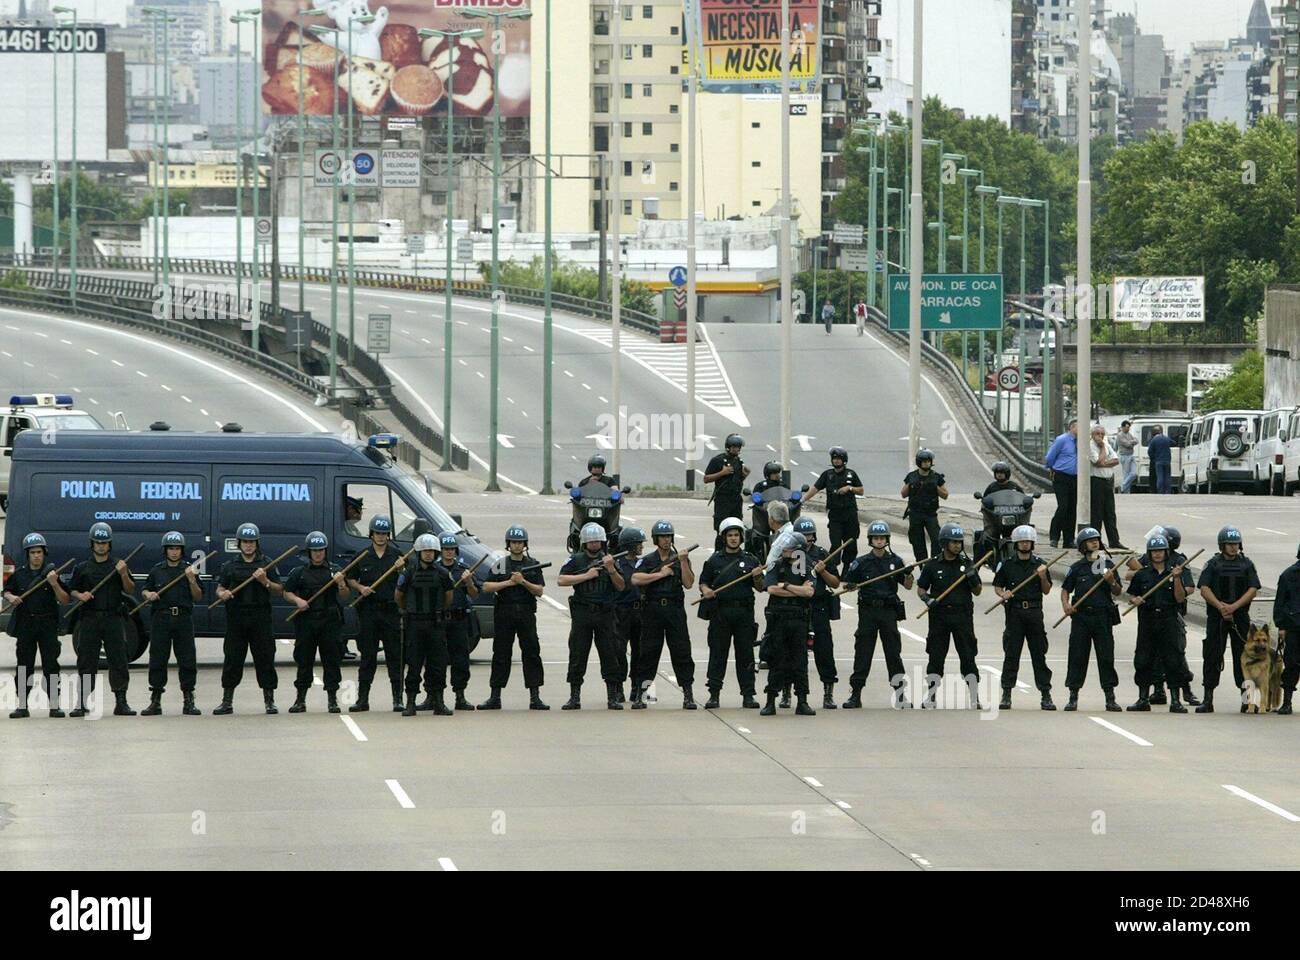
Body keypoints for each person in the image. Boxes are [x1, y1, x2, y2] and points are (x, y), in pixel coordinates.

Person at [840, 520, 913, 709]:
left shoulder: (895, 562)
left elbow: (907, 586)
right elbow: (848, 582)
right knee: (863, 653)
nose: (879, 541)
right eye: (876, 538)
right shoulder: (861, 563)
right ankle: (855, 694)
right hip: (868, 612)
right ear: (871, 540)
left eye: (882, 538)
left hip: (888, 612)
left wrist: (908, 574)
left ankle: (900, 694)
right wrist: (850, 586)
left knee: (893, 654)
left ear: (887, 540)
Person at [213, 523, 284, 716]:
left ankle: (269, 701)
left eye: (252, 542)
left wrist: (265, 582)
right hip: (236, 619)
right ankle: (227, 701)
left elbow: (279, 590)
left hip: (260, 618)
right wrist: (223, 593)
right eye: (245, 542)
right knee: (232, 659)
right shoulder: (230, 566)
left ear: (257, 543)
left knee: (265, 658)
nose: (249, 546)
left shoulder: (267, 563)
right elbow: (219, 587)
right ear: (239, 543)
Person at [69, 522, 137, 718]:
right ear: (92, 544)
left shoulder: (118, 565)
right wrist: (79, 595)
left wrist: (124, 573)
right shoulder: (82, 568)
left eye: (104, 542)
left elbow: (130, 589)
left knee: (119, 659)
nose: (101, 546)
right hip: (90, 619)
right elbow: (71, 589)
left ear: (110, 544)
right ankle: (82, 702)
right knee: (86, 660)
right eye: (98, 542)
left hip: (113, 618)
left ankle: (121, 702)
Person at [479, 526, 548, 711]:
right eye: (513, 542)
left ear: (525, 544)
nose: (516, 545)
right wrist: (509, 582)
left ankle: (535, 697)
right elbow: (486, 586)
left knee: (532, 653)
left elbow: (540, 591)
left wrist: (523, 581)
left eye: (519, 542)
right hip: (504, 613)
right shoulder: (500, 564)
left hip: (525, 613)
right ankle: (495, 696)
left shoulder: (533, 563)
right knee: (501, 654)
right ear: (508, 545)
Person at [559, 522, 626, 711]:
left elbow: (621, 586)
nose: (595, 544)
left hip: (605, 613)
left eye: (598, 541)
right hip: (583, 613)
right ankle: (574, 697)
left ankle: (612, 697)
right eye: (592, 541)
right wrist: (586, 576)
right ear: (585, 543)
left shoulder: (609, 560)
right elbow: (561, 579)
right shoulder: (576, 560)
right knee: (578, 654)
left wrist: (611, 568)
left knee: (610, 654)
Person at [699, 517, 764, 709]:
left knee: (746, 655)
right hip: (720, 613)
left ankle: (748, 694)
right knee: (718, 654)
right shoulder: (714, 560)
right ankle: (714, 694)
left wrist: (758, 576)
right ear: (724, 537)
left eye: (736, 535)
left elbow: (761, 588)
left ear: (741, 537)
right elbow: (703, 582)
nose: (734, 539)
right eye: (730, 535)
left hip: (744, 613)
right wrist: (706, 590)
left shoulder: (751, 560)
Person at [916, 523, 983, 709]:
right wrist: (927, 599)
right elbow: (921, 588)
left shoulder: (967, 564)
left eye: (959, 542)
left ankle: (974, 696)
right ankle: (931, 694)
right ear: (944, 543)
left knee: (968, 657)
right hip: (939, 617)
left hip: (962, 616)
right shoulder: (932, 565)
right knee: (936, 657)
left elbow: (977, 592)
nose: (957, 546)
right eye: (953, 542)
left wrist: (973, 578)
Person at [631, 520, 697, 709]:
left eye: (668, 536)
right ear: (656, 539)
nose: (666, 540)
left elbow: (689, 583)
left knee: (681, 651)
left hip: (674, 610)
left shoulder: (679, 558)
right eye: (662, 537)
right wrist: (660, 574)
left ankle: (688, 694)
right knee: (648, 653)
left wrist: (683, 562)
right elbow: (636, 578)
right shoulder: (649, 560)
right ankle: (644, 695)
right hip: (652, 610)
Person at [283, 531, 350, 714]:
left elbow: (345, 596)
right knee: (304, 660)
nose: (318, 554)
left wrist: (341, 583)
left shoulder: (335, 571)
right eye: (314, 550)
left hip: (329, 622)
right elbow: (286, 592)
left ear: (325, 551)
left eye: (321, 550)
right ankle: (300, 699)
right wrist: (297, 601)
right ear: (309, 552)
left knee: (332, 660)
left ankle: (332, 699)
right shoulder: (299, 572)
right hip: (306, 622)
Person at [1196, 526, 1261, 713]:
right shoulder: (1213, 564)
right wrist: (1220, 606)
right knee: (1212, 655)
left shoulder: (1247, 564)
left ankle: (1248, 699)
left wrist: (1234, 607)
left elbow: (1253, 589)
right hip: (1217, 617)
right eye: (1229, 544)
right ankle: (1208, 699)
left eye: (1235, 544)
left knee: (1246, 658)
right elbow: (1204, 588)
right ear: (1222, 545)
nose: (1233, 547)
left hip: (1239, 616)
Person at [1126, 533, 1193, 713]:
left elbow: (1180, 598)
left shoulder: (1174, 571)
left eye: (1160, 551)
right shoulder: (1142, 574)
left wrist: (1177, 578)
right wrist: (1135, 600)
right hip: (1147, 620)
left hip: (1168, 620)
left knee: (1173, 659)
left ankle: (1175, 700)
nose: (1157, 554)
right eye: (1154, 551)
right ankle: (1142, 698)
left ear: (1166, 552)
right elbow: (1131, 595)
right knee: (1143, 659)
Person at [5, 532, 69, 718]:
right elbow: (6, 592)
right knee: (24, 665)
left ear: (44, 553)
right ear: (27, 554)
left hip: (48, 624)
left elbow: (64, 600)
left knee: (51, 665)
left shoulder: (52, 574)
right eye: (32, 552)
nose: (36, 555)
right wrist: (12, 597)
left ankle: (55, 705)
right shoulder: (19, 575)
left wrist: (54, 584)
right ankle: (22, 705)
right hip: (26, 624)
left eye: (39, 552)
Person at [991, 525, 1055, 710]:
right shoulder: (1007, 564)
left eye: (1028, 542)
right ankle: (1006, 693)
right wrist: (1003, 594)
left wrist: (1043, 577)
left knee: (1039, 655)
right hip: (1015, 613)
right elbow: (997, 586)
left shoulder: (1040, 565)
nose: (1025, 545)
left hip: (1034, 613)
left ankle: (1045, 694)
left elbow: (1047, 590)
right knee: (1012, 654)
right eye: (1022, 542)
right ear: (1016, 544)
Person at [1059, 527, 1123, 713]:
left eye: (1097, 539)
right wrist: (1066, 605)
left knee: (1106, 656)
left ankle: (1110, 697)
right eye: (1090, 540)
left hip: (1102, 616)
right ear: (1082, 546)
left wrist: (1111, 581)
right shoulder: (1077, 568)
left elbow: (1118, 592)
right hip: (1081, 617)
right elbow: (1065, 590)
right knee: (1077, 656)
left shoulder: (1107, 565)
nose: (1095, 542)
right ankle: (1073, 696)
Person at [140, 531, 203, 717]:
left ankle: (189, 699)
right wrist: (148, 595)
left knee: (187, 659)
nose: (174, 552)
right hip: (161, 618)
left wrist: (192, 580)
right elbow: (145, 589)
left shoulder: (189, 569)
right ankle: (155, 700)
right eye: (170, 548)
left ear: (181, 550)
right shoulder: (157, 570)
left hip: (183, 618)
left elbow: (198, 596)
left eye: (177, 548)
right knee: (158, 658)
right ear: (165, 550)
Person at [348, 515, 406, 713]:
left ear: (388, 535)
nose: (381, 537)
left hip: (390, 611)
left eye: (384, 533)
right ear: (371, 534)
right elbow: (350, 578)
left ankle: (398, 698)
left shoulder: (397, 556)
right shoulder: (362, 555)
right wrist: (360, 587)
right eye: (377, 533)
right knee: (367, 657)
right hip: (368, 612)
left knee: (394, 656)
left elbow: (407, 580)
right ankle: (362, 699)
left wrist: (402, 569)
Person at [395, 533, 454, 717]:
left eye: (431, 551)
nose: (428, 554)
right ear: (419, 552)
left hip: (435, 624)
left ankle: (439, 702)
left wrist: (438, 612)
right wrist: (410, 611)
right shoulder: (409, 573)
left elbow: (449, 597)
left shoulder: (443, 574)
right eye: (425, 551)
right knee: (413, 664)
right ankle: (411, 702)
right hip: (415, 624)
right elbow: (399, 596)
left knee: (438, 664)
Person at [760, 532, 816, 716]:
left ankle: (802, 700)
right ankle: (770, 701)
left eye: (789, 548)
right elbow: (771, 588)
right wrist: (796, 590)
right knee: (777, 659)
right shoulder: (776, 565)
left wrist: (786, 586)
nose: (784, 550)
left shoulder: (806, 567)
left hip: (799, 620)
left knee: (800, 660)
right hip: (779, 619)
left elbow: (809, 592)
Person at [794, 517, 841, 708]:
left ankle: (828, 693)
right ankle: (790, 693)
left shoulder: (823, 554)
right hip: (797, 608)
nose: (808, 539)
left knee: (824, 652)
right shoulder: (790, 555)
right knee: (793, 653)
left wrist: (822, 572)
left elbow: (835, 583)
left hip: (819, 608)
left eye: (810, 535)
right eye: (804, 536)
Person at [436, 532, 480, 712]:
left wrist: (469, 582)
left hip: (458, 619)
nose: (449, 552)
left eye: (451, 549)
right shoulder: (435, 569)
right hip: (439, 620)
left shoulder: (463, 570)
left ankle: (460, 696)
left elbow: (474, 593)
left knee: (460, 659)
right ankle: (435, 696)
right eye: (445, 549)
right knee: (436, 660)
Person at [806, 446, 863, 574]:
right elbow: (815, 489)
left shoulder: (851, 474)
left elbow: (861, 489)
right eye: (834, 458)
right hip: (835, 516)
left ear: (844, 460)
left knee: (851, 544)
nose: (836, 461)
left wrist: (849, 488)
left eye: (839, 459)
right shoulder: (827, 475)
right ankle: (833, 569)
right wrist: (802, 500)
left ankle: (847, 569)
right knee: (835, 543)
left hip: (850, 515)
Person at [612, 527, 646, 704]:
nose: (641, 547)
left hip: (640, 610)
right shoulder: (617, 564)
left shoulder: (643, 563)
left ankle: (638, 687)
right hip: (621, 611)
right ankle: (618, 687)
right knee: (619, 651)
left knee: (640, 651)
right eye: (638, 543)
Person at [703, 434, 750, 547]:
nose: (737, 449)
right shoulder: (718, 460)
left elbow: (737, 481)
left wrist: (745, 475)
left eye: (738, 447)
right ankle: (719, 552)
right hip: (723, 499)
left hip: (736, 500)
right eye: (734, 447)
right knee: (721, 529)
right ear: (728, 447)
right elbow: (706, 478)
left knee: (736, 527)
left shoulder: (739, 461)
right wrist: (722, 473)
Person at [901, 448, 947, 561]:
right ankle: (921, 563)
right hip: (915, 514)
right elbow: (903, 494)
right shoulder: (912, 476)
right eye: (924, 461)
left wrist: (934, 486)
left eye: (928, 461)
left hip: (930, 514)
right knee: (917, 541)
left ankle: (935, 561)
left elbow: (945, 495)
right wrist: (911, 484)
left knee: (936, 539)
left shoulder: (936, 477)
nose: (927, 463)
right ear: (919, 462)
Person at [1273, 543, 1300, 715]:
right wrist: (1281, 625)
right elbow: (1280, 602)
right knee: (1291, 664)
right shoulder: (1289, 575)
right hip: (1294, 626)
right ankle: (1287, 701)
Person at [1044, 420, 1079, 548]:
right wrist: (1053, 468)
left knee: (1072, 508)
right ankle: (1054, 536)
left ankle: (1069, 539)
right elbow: (1050, 457)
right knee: (1063, 506)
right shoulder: (1062, 440)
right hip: (1061, 476)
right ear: (1072, 427)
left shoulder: (1082, 442)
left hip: (1075, 477)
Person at [1088, 424, 1123, 549]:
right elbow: (1097, 462)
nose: (1100, 436)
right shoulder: (1091, 446)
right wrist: (1102, 448)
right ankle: (1097, 541)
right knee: (1097, 513)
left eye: (1102, 434)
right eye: (1098, 434)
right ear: (1092, 435)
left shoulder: (1106, 444)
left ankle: (1114, 540)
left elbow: (1116, 460)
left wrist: (1104, 462)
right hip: (1097, 481)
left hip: (1108, 480)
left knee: (1110, 513)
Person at [1148, 425, 1174, 495]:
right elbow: (1173, 443)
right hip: (1167, 460)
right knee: (1167, 476)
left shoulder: (1153, 440)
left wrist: (1153, 458)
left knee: (1160, 476)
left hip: (1158, 461)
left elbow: (1150, 451)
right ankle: (1168, 491)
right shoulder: (1166, 438)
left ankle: (1160, 491)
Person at [1115, 421, 1138, 494]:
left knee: (1134, 473)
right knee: (1126, 474)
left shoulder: (1129, 434)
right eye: (1127, 427)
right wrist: (1132, 442)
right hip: (1124, 456)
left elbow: (1137, 441)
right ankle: (1126, 492)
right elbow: (1127, 444)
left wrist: (1131, 442)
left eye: (1129, 427)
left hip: (1131, 455)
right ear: (1123, 427)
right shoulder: (1120, 435)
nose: (1128, 429)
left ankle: (1123, 486)